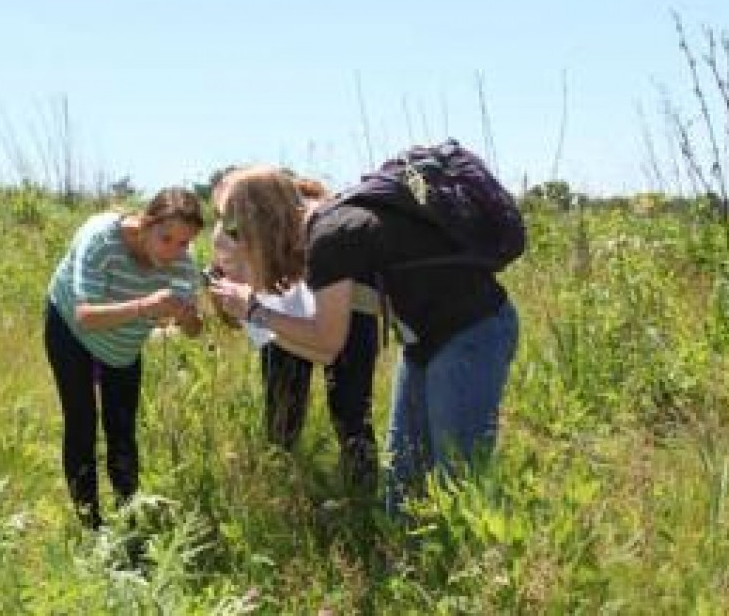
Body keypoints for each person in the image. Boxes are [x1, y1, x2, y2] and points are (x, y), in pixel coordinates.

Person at [208, 166, 518, 516]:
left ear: (259, 220)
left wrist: (254, 312)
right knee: (402, 476)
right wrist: (256, 314)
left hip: (471, 332)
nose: (234, 237)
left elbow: (326, 341)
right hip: (423, 342)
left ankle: (471, 563)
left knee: (458, 474)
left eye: (235, 227)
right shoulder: (323, 229)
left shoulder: (329, 236)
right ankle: (410, 562)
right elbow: (325, 351)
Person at [208, 169, 381, 493]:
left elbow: (329, 342)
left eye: (233, 213)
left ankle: (362, 494)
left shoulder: (324, 228)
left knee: (351, 410)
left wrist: (255, 310)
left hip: (333, 309)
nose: (229, 223)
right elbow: (237, 278)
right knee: (283, 411)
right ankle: (284, 483)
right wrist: (251, 308)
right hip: (280, 314)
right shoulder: (232, 231)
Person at [44, 187, 205, 528]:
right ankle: (91, 527)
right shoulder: (100, 239)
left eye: (184, 243)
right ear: (145, 224)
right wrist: (146, 306)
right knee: (81, 424)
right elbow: (85, 315)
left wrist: (187, 317)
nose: (175, 252)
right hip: (70, 330)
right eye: (167, 238)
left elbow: (195, 330)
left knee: (122, 430)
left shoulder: (183, 266)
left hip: (122, 348)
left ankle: (130, 523)